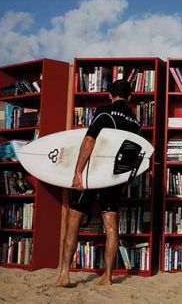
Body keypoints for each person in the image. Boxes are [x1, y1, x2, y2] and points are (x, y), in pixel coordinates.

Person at [56, 79, 141, 287]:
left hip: (92, 175)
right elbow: (131, 156)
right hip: (112, 178)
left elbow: (89, 141)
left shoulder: (103, 112)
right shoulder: (135, 123)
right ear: (129, 97)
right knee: (110, 225)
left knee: (74, 219)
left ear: (109, 95)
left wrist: (78, 172)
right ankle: (108, 276)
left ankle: (65, 274)